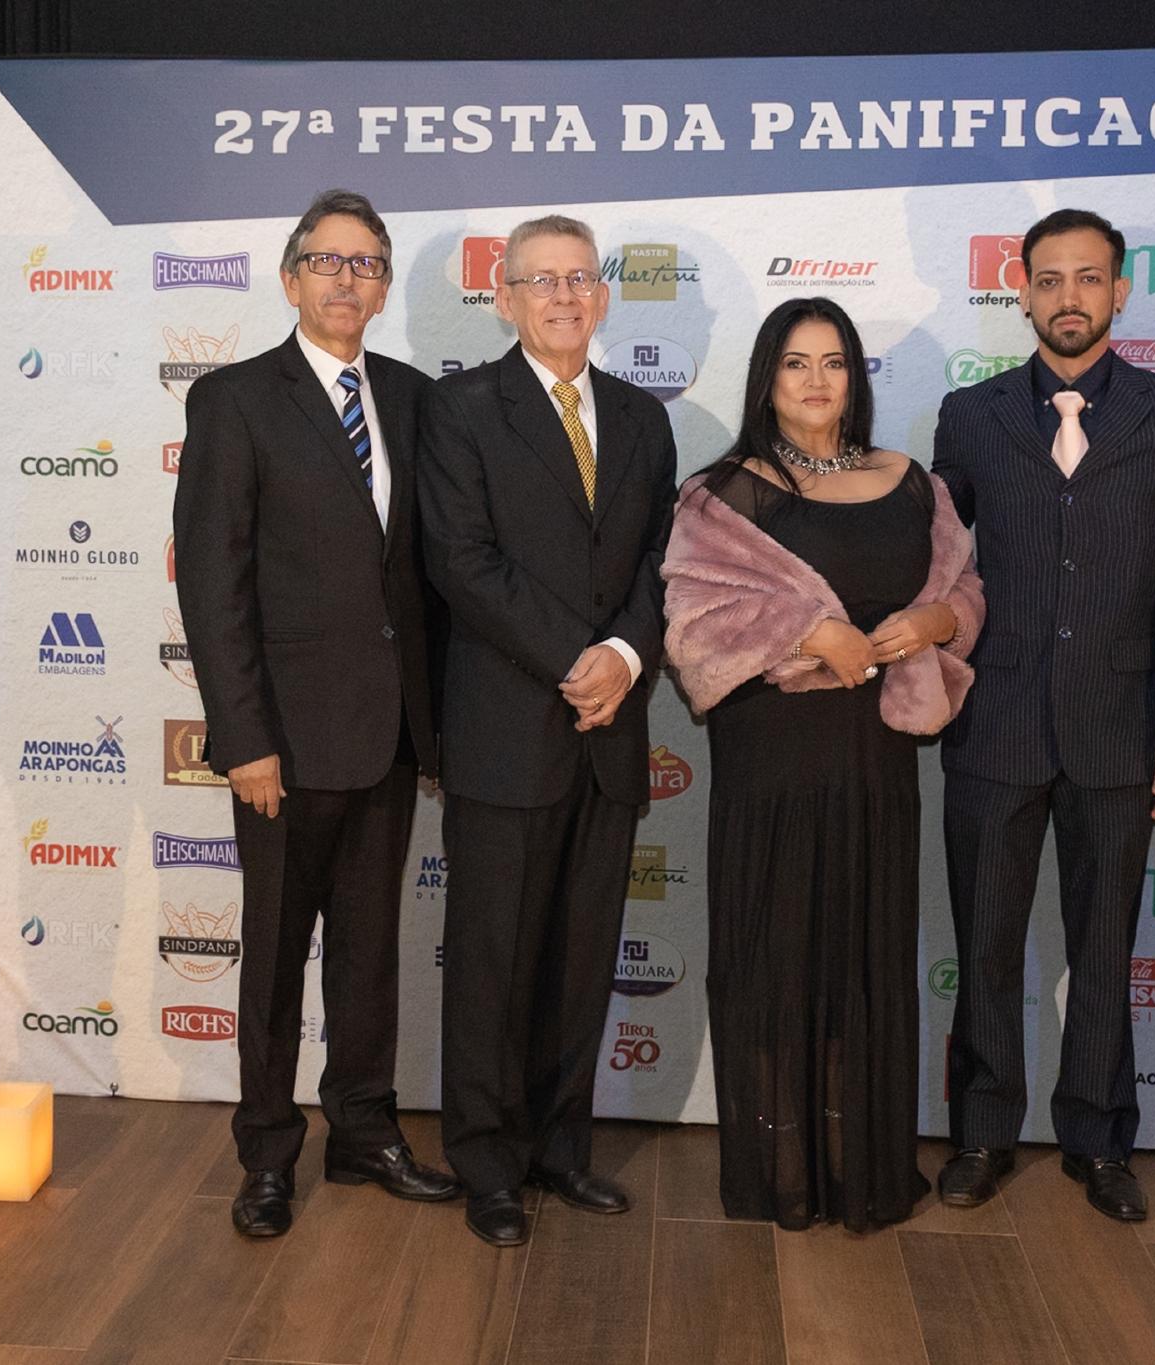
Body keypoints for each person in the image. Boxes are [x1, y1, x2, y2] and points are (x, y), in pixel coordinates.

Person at [661, 297, 985, 1231]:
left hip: (875, 761)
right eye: (795, 363)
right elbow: (692, 623)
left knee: (863, 957)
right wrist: (809, 632)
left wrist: (939, 620)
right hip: (772, 761)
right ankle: (782, 1172)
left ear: (855, 377)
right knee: (776, 957)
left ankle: (861, 1168)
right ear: (767, 377)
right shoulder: (723, 493)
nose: (816, 381)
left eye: (834, 362)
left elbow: (964, 587)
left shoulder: (911, 482)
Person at [173, 188, 457, 1239]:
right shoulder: (235, 400)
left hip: (389, 734)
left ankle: (364, 1131)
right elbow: (214, 586)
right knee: (276, 952)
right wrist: (243, 738)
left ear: (383, 289)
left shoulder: (415, 399)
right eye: (327, 261)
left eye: (366, 263)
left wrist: (434, 727)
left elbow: (424, 578)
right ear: (290, 278)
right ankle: (265, 1152)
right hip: (283, 745)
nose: (347, 279)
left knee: (371, 953)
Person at [931, 209, 1155, 1222]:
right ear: (1019, 292)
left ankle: (1098, 1140)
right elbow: (939, 566)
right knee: (984, 943)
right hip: (993, 724)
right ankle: (980, 1131)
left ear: (1119, 291)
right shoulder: (968, 416)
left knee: (1105, 949)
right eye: (1048, 279)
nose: (1068, 297)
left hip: (1120, 726)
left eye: (1088, 278)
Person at [419, 214, 679, 1248]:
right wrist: (578, 657)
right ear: (504, 299)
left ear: (603, 297)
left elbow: (662, 560)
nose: (564, 296)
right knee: (492, 962)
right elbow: (461, 559)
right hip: (504, 732)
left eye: (580, 279)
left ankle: (560, 1150)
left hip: (607, 735)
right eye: (541, 280)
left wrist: (624, 657)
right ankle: (487, 1164)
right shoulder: (459, 409)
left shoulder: (642, 417)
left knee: (580, 959)